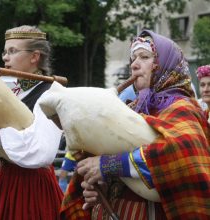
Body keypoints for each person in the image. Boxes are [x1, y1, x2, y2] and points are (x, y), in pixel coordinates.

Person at [76, 30, 210, 219]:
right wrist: (102, 186)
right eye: (133, 58)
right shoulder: (130, 108)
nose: (134, 65)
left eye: (144, 57)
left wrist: (108, 165)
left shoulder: (182, 108)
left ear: (165, 65)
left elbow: (180, 154)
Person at [0, 25, 64, 220]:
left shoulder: (51, 92)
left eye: (13, 51)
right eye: (5, 51)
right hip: (6, 181)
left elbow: (41, 151)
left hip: (32, 189)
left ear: (34, 56)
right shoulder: (8, 88)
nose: (5, 57)